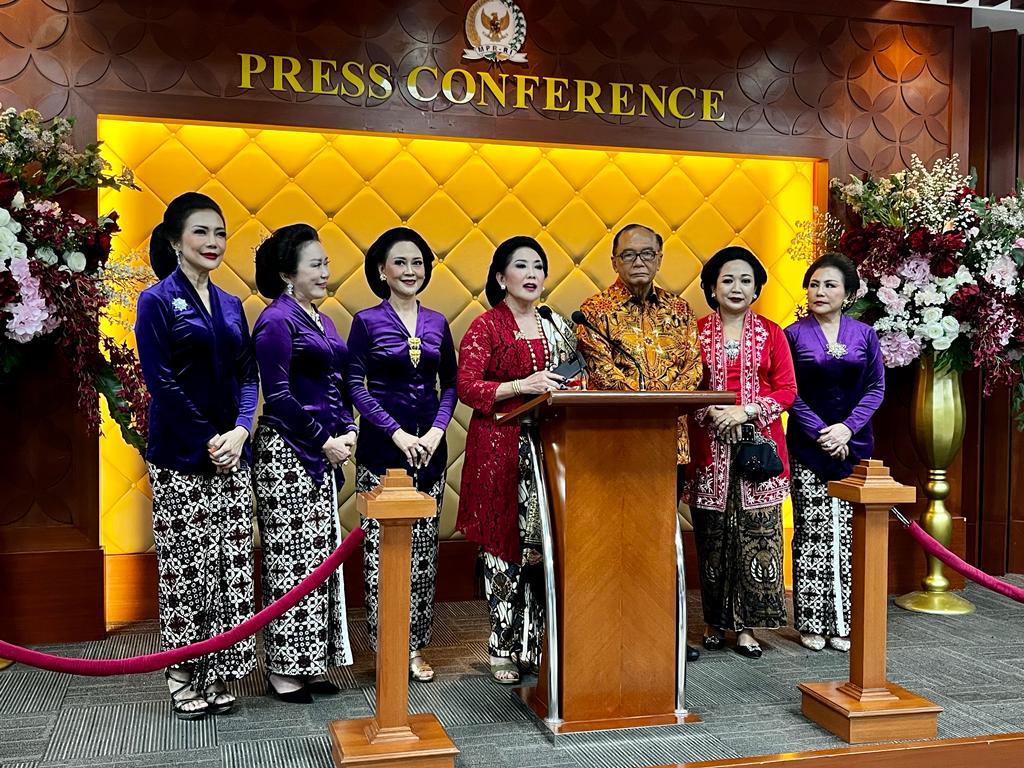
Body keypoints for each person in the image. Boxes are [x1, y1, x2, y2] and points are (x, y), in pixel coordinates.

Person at [135, 192, 257, 719]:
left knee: (229, 566)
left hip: (232, 450)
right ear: (174, 240)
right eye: (202, 232)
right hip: (182, 452)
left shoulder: (232, 303)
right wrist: (212, 437)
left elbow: (248, 377)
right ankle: (182, 670)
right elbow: (159, 381)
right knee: (187, 566)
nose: (213, 243)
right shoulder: (156, 300)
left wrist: (241, 432)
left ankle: (217, 668)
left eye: (220, 233)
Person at [576, 222, 703, 662]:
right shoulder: (594, 311)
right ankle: (615, 626)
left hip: (671, 443)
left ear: (660, 258)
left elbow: (693, 369)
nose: (639, 262)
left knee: (661, 539)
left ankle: (666, 629)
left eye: (647, 253)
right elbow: (602, 372)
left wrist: (664, 405)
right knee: (616, 539)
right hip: (617, 444)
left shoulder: (681, 310)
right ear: (613, 261)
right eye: (629, 255)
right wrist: (649, 403)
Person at [456, 236, 578, 685]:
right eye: (521, 266)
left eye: (539, 267)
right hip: (499, 449)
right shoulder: (486, 326)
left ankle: (537, 645)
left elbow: (577, 374)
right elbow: (468, 387)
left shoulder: (556, 324)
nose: (532, 275)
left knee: (544, 550)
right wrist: (519, 386)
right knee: (503, 551)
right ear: (500, 277)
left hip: (550, 447)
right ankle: (502, 647)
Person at [346, 227, 458, 683]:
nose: (410, 271)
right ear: (382, 270)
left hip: (430, 448)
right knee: (381, 554)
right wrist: (394, 433)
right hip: (381, 448)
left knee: (424, 553)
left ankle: (414, 646)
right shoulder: (366, 322)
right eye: (401, 263)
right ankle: (387, 646)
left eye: (418, 263)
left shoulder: (437, 322)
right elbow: (354, 384)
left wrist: (435, 430)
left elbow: (449, 384)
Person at [252, 224, 356, 704]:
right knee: (288, 562)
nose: (325, 272)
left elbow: (337, 384)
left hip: (323, 451)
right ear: (286, 273)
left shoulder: (323, 320)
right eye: (315, 264)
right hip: (287, 450)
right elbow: (278, 396)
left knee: (319, 561)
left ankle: (312, 663)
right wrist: (324, 441)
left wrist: (350, 429)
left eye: (326, 264)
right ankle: (282, 670)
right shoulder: (276, 319)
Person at [683, 245, 797, 659]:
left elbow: (787, 390)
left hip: (758, 452)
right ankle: (714, 623)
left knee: (758, 538)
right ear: (712, 287)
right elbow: (682, 386)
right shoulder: (693, 331)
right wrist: (712, 412)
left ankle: (747, 627)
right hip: (708, 451)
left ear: (757, 288)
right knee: (712, 540)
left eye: (746, 280)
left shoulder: (772, 332)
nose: (737, 287)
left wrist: (747, 410)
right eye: (727, 279)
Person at [785, 253, 884, 652]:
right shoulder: (792, 335)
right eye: (814, 284)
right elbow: (788, 390)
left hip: (854, 445)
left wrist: (846, 428)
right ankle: (811, 621)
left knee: (847, 533)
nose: (819, 292)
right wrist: (822, 432)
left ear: (848, 293)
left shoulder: (865, 334)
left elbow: (876, 388)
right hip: (809, 446)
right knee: (812, 531)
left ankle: (844, 622)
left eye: (829, 285)